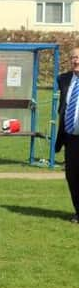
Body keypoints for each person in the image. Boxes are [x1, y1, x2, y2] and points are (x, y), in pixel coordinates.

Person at [55, 47, 79, 223]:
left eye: (78, 57)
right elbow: (63, 106)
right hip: (70, 137)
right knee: (72, 176)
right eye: (73, 57)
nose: (75, 61)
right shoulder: (64, 79)